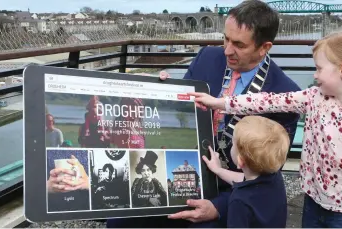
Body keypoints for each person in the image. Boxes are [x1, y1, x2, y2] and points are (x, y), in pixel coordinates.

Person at [106, 0, 301, 227]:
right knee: (120, 221)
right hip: (181, 173)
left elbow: (267, 176)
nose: (227, 50)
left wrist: (218, 207)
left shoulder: (285, 96)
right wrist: (163, 92)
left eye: (239, 44)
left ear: (264, 47)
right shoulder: (207, 57)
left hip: (233, 192)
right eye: (225, 39)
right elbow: (180, 111)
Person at [188, 31, 342, 228]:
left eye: (319, 68)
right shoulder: (314, 97)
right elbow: (267, 101)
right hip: (312, 203)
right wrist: (220, 103)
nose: (315, 75)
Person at [203, 115, 290, 228]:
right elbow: (243, 179)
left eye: (233, 144)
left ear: (240, 161)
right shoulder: (275, 177)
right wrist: (218, 170)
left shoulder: (240, 200)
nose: (232, 146)